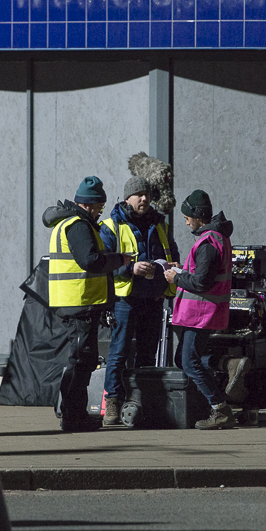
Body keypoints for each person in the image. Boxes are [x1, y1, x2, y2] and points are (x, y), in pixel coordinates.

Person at [43, 176, 132, 432]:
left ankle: (75, 414)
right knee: (81, 361)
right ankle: (73, 417)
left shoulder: (71, 223)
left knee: (83, 360)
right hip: (78, 302)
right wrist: (119, 259)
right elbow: (90, 261)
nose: (100, 212)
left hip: (77, 302)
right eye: (99, 208)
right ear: (88, 205)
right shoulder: (78, 225)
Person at [98, 176, 179, 425]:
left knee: (147, 354)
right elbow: (103, 264)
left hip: (154, 299)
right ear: (127, 198)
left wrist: (170, 266)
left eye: (147, 194)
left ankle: (141, 403)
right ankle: (112, 402)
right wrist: (130, 269)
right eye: (138, 194)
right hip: (126, 300)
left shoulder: (160, 225)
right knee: (119, 351)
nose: (144, 198)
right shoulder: (111, 226)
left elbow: (173, 256)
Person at [164, 190, 236, 430]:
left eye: (187, 217)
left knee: (189, 361)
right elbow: (201, 275)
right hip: (202, 312)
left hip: (200, 314)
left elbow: (201, 283)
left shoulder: (208, 242)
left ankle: (220, 409)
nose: (185, 221)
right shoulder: (216, 238)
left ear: (198, 216)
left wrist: (176, 278)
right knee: (183, 359)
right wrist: (182, 271)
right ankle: (226, 364)